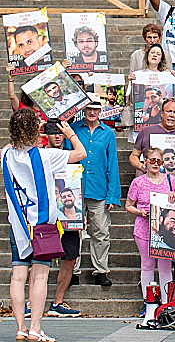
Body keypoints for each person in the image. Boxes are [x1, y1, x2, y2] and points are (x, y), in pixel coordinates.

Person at [3, 109, 86, 342]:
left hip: (19, 224)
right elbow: (80, 153)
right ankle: (35, 329)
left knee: (18, 276)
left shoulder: (6, 154)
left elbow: (11, 146)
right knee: (40, 277)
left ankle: (20, 328)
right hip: (42, 226)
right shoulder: (45, 155)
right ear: (35, 131)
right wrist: (70, 134)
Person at [68, 98, 120, 287]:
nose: (92, 112)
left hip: (98, 188)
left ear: (100, 111)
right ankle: (72, 271)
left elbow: (112, 164)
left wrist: (113, 195)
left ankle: (101, 270)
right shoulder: (73, 129)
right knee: (73, 230)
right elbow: (66, 156)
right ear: (84, 109)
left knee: (101, 231)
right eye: (89, 108)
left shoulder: (108, 133)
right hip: (75, 188)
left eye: (95, 109)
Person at [125, 146, 175, 308]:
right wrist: (140, 212)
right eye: (153, 160)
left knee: (165, 266)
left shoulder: (170, 180)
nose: (156, 164)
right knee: (147, 265)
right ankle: (148, 302)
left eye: (159, 161)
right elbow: (128, 205)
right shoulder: (138, 182)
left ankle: (166, 302)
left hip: (165, 231)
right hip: (144, 228)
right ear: (145, 162)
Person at [44, 131, 82, 317]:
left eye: (60, 133)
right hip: (45, 216)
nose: (57, 137)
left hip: (68, 219)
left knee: (70, 257)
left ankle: (58, 302)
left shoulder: (69, 155)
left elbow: (82, 156)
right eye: (53, 133)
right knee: (39, 259)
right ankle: (31, 302)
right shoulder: (40, 154)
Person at [129, 98, 175, 174]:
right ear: (162, 113)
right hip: (150, 179)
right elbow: (133, 156)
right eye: (169, 111)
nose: (171, 115)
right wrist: (141, 166)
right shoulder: (146, 132)